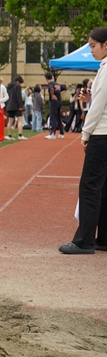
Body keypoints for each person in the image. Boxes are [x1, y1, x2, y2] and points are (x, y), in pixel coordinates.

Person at [59, 27, 107, 254]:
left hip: (102, 135)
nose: (91, 50)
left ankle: (84, 241)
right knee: (104, 187)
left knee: (89, 186)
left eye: (93, 46)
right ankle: (103, 238)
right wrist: (92, 99)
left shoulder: (105, 69)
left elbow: (99, 108)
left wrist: (85, 133)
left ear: (106, 45)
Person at [5, 75, 26, 140]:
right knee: (20, 120)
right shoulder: (17, 86)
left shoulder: (8, 86)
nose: (20, 84)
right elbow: (18, 96)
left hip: (9, 105)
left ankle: (9, 135)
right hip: (16, 105)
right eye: (20, 83)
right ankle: (20, 135)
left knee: (10, 121)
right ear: (18, 81)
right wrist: (20, 106)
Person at [45, 71, 65, 139]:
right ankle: (61, 133)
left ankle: (52, 134)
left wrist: (52, 95)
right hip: (59, 101)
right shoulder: (57, 84)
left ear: (46, 78)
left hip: (53, 102)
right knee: (59, 117)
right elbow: (64, 89)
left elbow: (51, 88)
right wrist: (59, 94)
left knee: (53, 117)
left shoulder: (50, 84)